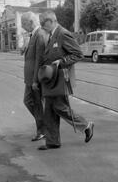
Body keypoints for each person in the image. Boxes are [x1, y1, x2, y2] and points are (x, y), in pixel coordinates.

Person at [37, 10, 94, 150]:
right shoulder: (52, 35)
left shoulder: (62, 33)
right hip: (52, 80)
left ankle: (86, 125)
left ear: (51, 21)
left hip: (61, 79)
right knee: (49, 110)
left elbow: (78, 54)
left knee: (60, 107)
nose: (42, 27)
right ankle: (52, 142)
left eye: (43, 24)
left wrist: (61, 61)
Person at [21, 11, 46, 141]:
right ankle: (43, 127)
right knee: (30, 102)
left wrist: (36, 80)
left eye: (23, 23)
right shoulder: (32, 35)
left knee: (37, 104)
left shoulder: (39, 35)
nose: (22, 26)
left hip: (34, 79)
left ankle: (42, 129)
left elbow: (39, 60)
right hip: (29, 79)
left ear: (31, 22)